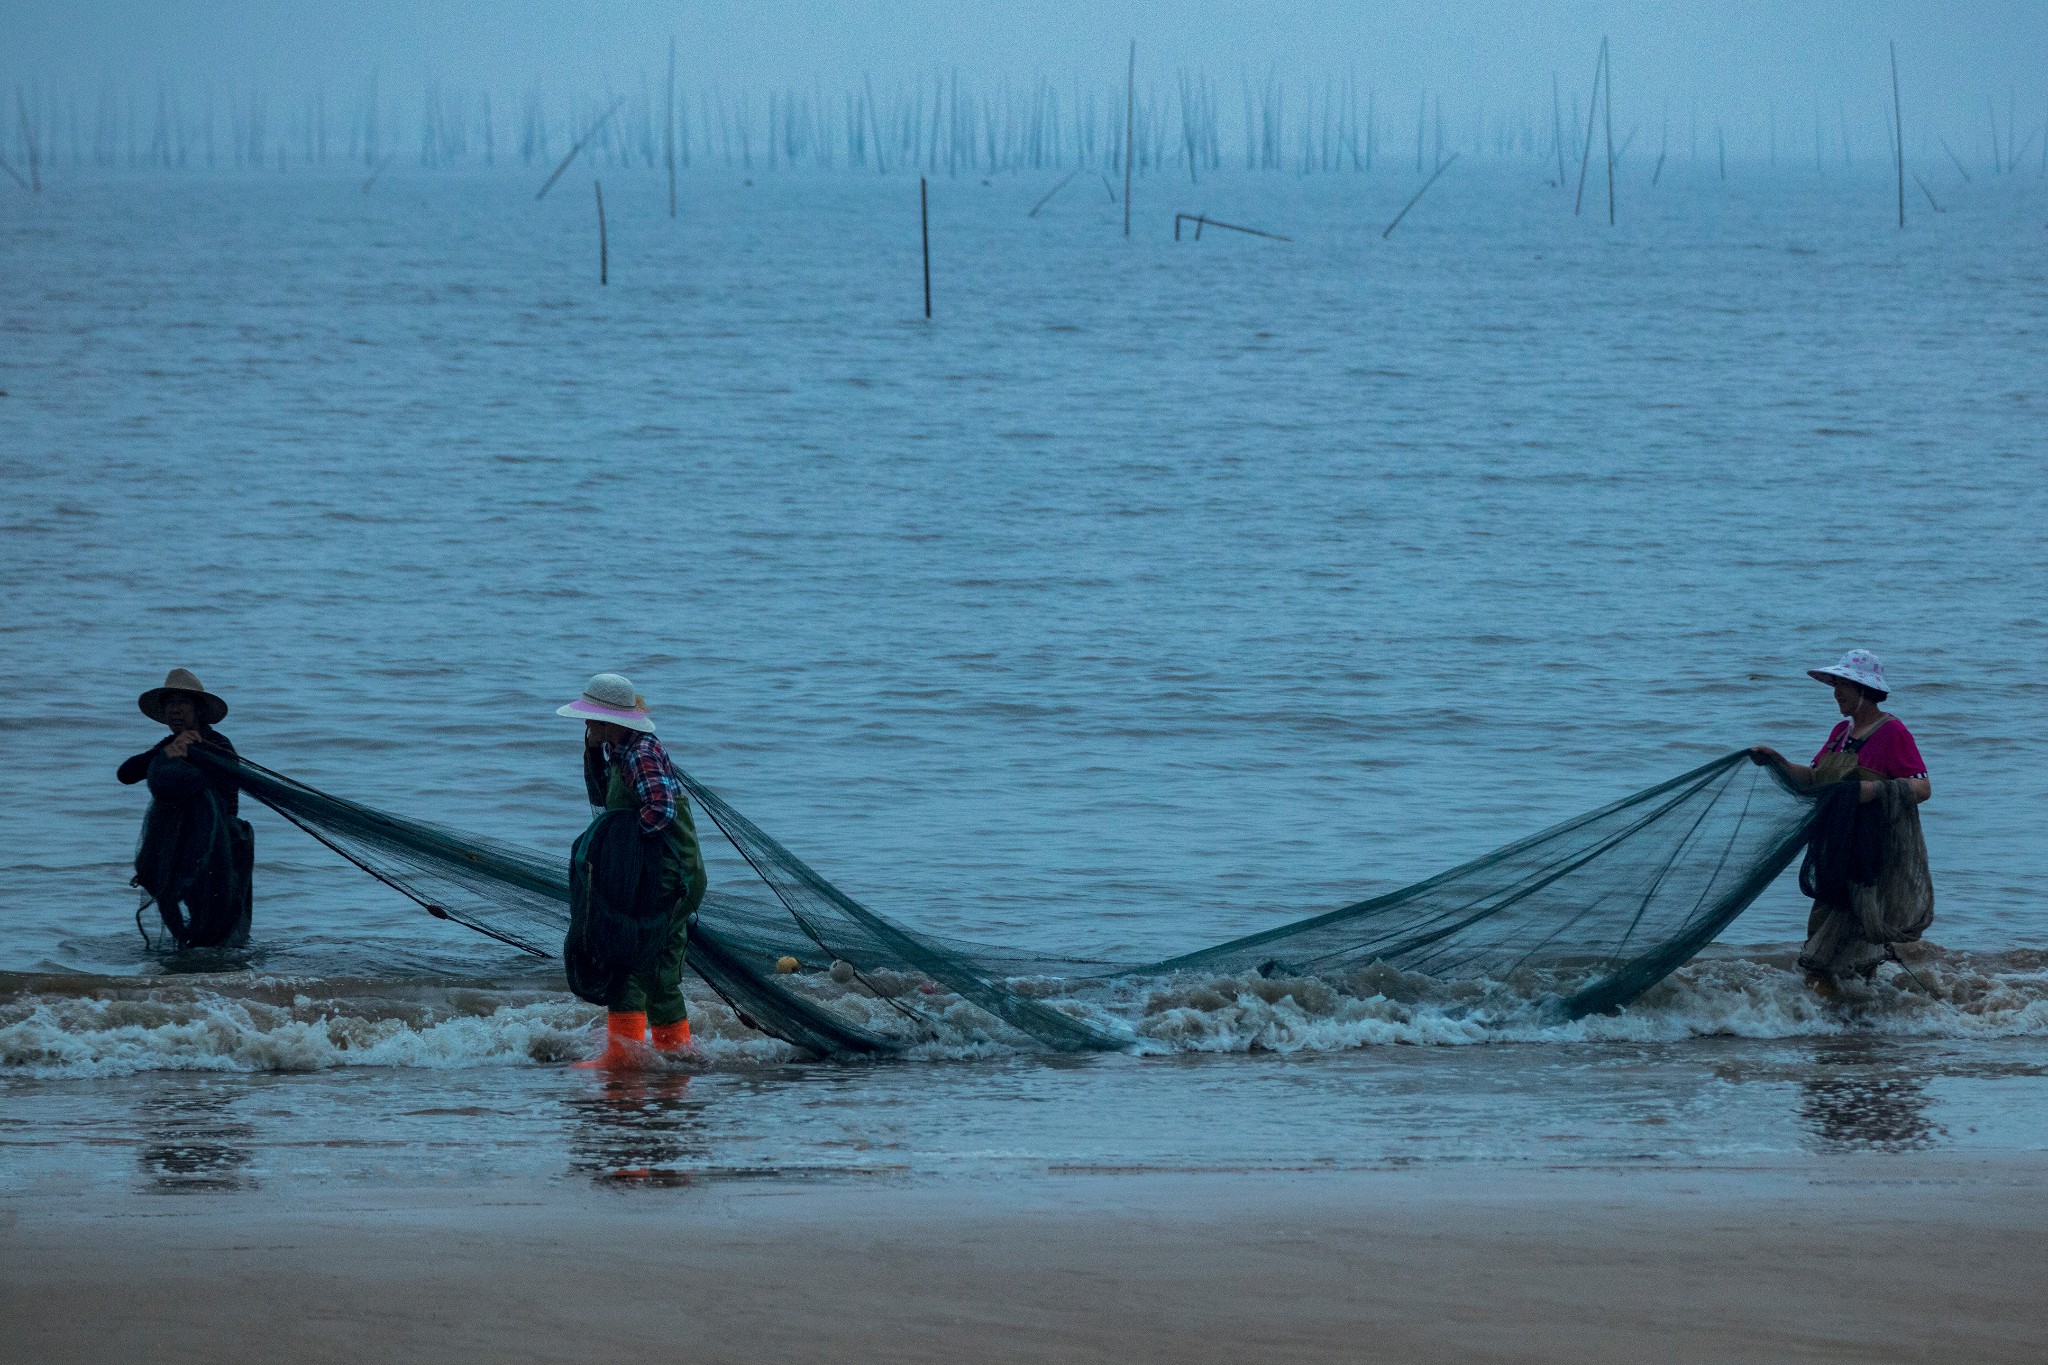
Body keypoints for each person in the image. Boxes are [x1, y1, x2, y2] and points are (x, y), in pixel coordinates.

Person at [1749, 649, 1933, 994]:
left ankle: (1840, 1025)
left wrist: (1872, 790)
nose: (1836, 692)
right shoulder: (1840, 732)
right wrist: (1777, 760)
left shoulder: (1892, 732)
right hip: (1836, 849)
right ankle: (1853, 1016)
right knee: (1826, 931)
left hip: (1870, 852)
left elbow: (1922, 787)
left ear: (1865, 689)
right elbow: (1814, 778)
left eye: (1843, 685)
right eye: (1834, 684)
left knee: (1842, 943)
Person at [557, 672, 707, 1064]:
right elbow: (603, 798)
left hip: (669, 874)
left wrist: (623, 849)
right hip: (659, 873)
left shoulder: (640, 752)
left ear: (612, 722)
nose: (586, 725)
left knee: (631, 959)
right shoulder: (618, 750)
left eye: (592, 719)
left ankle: (624, 1059)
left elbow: (661, 810)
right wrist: (591, 752)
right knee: (657, 967)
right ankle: (676, 1055)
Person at [118, 668, 254, 948]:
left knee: (218, 919)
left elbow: (220, 786)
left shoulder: (216, 743)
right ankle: (190, 978)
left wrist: (192, 752)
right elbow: (126, 773)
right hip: (183, 846)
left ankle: (216, 979)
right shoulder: (169, 745)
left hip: (221, 845)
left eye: (182, 703)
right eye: (169, 704)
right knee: (187, 912)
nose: (174, 710)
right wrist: (166, 753)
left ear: (198, 710)